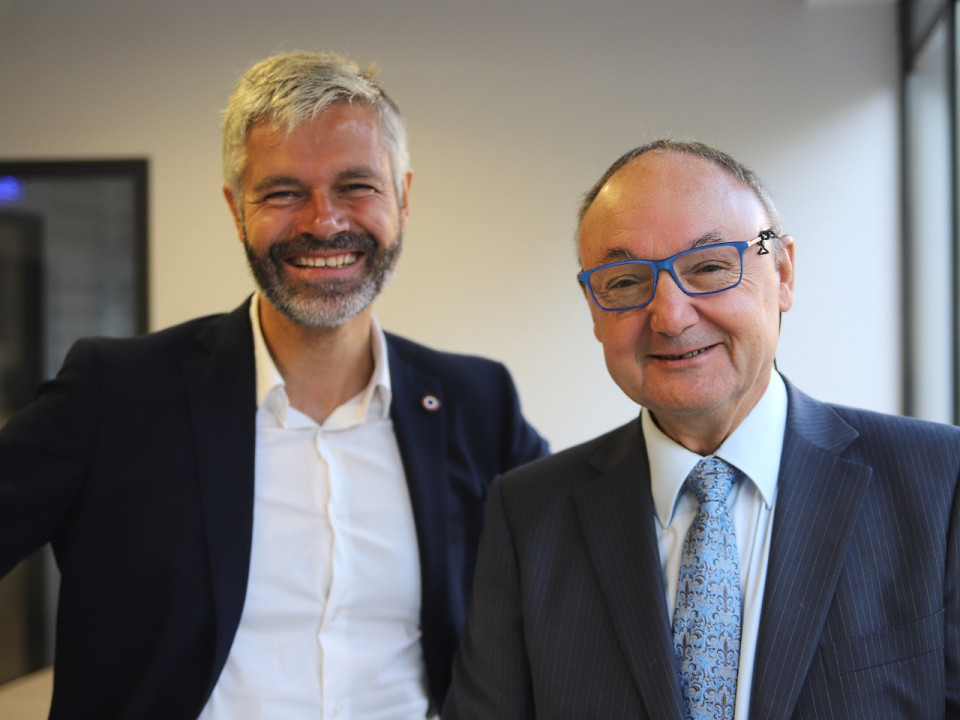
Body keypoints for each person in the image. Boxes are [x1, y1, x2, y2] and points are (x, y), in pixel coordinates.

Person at [0, 51, 547, 719]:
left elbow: (583, 576)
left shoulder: (477, 402)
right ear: (237, 210)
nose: (324, 222)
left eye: (356, 186)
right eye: (283, 192)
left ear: (403, 199)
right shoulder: (115, 395)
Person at [443, 139, 960, 719]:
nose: (670, 316)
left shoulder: (940, 481)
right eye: (625, 282)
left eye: (710, 267)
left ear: (782, 271)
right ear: (593, 306)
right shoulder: (527, 514)